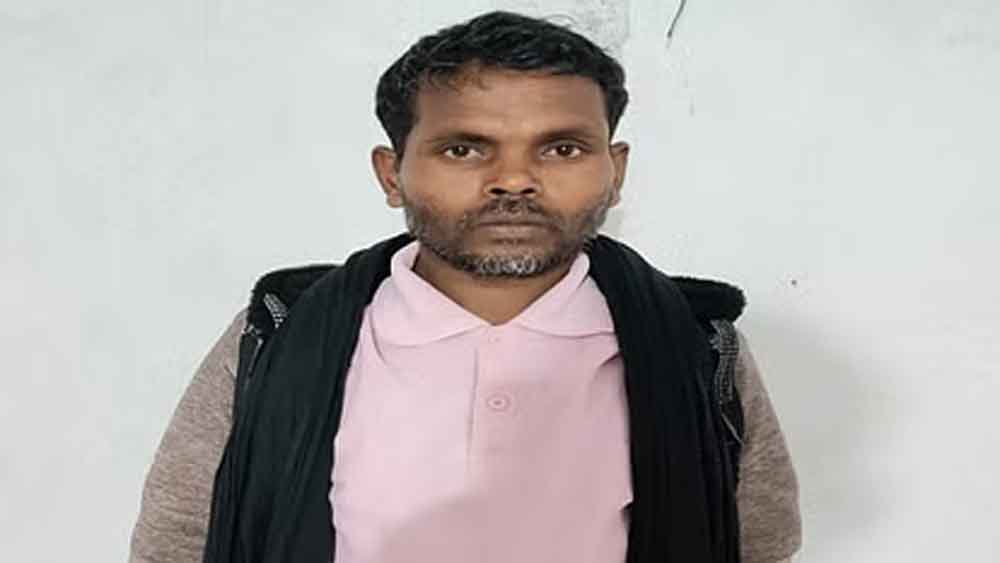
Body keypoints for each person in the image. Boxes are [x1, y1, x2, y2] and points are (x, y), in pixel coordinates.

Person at [130, 10, 800, 563]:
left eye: (561, 148)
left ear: (614, 171)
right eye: (464, 149)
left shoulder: (695, 343)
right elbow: (177, 540)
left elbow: (757, 544)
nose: (514, 180)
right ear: (392, 173)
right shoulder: (281, 333)